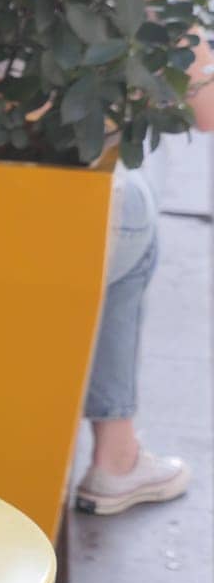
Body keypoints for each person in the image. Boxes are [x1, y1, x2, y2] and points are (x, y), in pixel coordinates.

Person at [75, 37, 214, 514]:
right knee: (133, 209)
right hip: (62, 207)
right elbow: (207, 111)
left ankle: (119, 455)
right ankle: (117, 456)